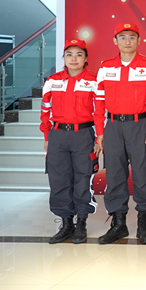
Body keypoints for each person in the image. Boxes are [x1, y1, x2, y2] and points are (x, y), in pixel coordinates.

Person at [94, 23, 146, 245]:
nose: (127, 41)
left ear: (139, 40)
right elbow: (98, 102)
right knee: (114, 175)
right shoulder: (106, 67)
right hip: (113, 126)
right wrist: (100, 131)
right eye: (122, 37)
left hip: (140, 126)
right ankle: (118, 224)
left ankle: (143, 225)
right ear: (115, 41)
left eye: (132, 37)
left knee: (142, 175)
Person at [40, 39, 99, 244]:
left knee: (83, 179)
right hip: (57, 136)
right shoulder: (52, 81)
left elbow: (100, 112)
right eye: (69, 54)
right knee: (58, 180)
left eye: (79, 54)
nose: (74, 59)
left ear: (86, 58)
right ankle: (66, 224)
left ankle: (81, 222)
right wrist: (47, 137)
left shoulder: (94, 81)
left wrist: (99, 137)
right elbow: (45, 111)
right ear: (64, 58)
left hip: (83, 135)